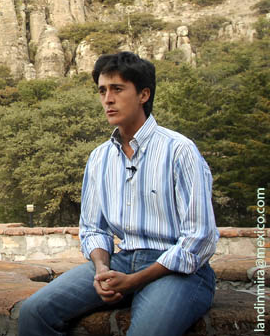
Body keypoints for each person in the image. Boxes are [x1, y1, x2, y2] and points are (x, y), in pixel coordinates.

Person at [18, 51, 218, 336]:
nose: (107, 99)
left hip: (179, 272)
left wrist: (135, 281)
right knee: (34, 312)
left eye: (117, 89)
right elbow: (92, 228)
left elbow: (199, 239)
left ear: (143, 94)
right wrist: (102, 268)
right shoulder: (99, 158)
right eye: (102, 91)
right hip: (122, 262)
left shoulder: (179, 150)